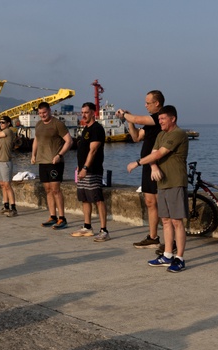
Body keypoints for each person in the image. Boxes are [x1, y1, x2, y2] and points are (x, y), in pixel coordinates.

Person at [126, 105, 188, 272]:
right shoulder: (160, 134)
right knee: (166, 221)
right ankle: (167, 255)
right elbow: (153, 153)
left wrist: (138, 163)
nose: (159, 121)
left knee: (177, 221)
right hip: (162, 182)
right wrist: (153, 167)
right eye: (158, 119)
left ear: (172, 119)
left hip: (175, 181)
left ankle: (180, 258)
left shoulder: (177, 134)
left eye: (162, 119)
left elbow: (159, 153)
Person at [117, 90, 164, 249]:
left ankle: (170, 240)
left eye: (148, 103)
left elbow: (136, 118)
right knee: (150, 202)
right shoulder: (149, 123)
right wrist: (129, 121)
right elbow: (136, 137)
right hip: (147, 167)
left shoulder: (159, 118)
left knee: (162, 204)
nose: (145, 105)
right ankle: (153, 237)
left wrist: (125, 115)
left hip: (158, 166)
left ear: (157, 103)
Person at [30, 101, 73, 229]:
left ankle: (62, 218)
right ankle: (52, 216)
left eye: (44, 112)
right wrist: (33, 155)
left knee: (56, 190)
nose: (42, 115)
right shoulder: (38, 124)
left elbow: (69, 141)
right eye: (40, 113)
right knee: (47, 190)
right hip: (42, 162)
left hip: (55, 162)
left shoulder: (57, 124)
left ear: (49, 110)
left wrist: (59, 155)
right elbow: (36, 140)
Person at [71, 103, 109, 241]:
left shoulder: (97, 129)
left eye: (86, 112)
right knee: (85, 199)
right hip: (82, 170)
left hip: (92, 170)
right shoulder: (85, 129)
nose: (84, 115)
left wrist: (85, 168)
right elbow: (83, 151)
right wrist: (79, 167)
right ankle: (87, 227)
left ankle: (104, 230)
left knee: (97, 199)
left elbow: (93, 150)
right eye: (82, 112)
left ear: (93, 112)